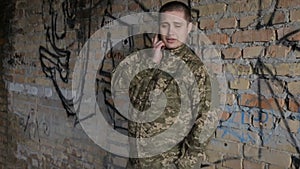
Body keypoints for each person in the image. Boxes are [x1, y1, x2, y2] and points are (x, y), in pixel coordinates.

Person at [112, 1, 218, 168]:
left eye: (177, 25)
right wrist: (150, 62)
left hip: (167, 164)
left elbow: (206, 122)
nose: (170, 32)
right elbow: (119, 88)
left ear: (188, 28)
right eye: (164, 25)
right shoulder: (144, 58)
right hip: (136, 162)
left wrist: (183, 165)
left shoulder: (196, 70)